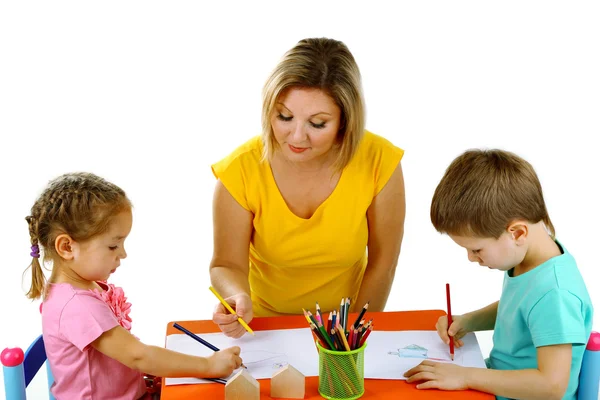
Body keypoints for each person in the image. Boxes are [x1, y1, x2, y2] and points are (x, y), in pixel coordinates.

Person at [210, 37, 406, 338]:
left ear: (345, 121)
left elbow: (383, 263)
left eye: (317, 123)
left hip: (346, 327)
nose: (297, 136)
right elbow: (226, 264)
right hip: (263, 328)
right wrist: (236, 296)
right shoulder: (240, 170)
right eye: (284, 117)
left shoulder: (380, 161)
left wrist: (351, 335)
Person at [25, 172, 243, 400]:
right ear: (67, 247)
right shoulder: (77, 305)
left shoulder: (81, 289)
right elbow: (138, 356)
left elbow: (120, 356)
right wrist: (209, 365)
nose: (123, 254)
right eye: (113, 246)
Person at [403, 149, 593, 400]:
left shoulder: (555, 294)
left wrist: (465, 376)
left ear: (516, 233)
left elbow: (551, 386)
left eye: (476, 249)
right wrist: (469, 321)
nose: (471, 258)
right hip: (499, 381)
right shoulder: (530, 258)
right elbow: (519, 308)